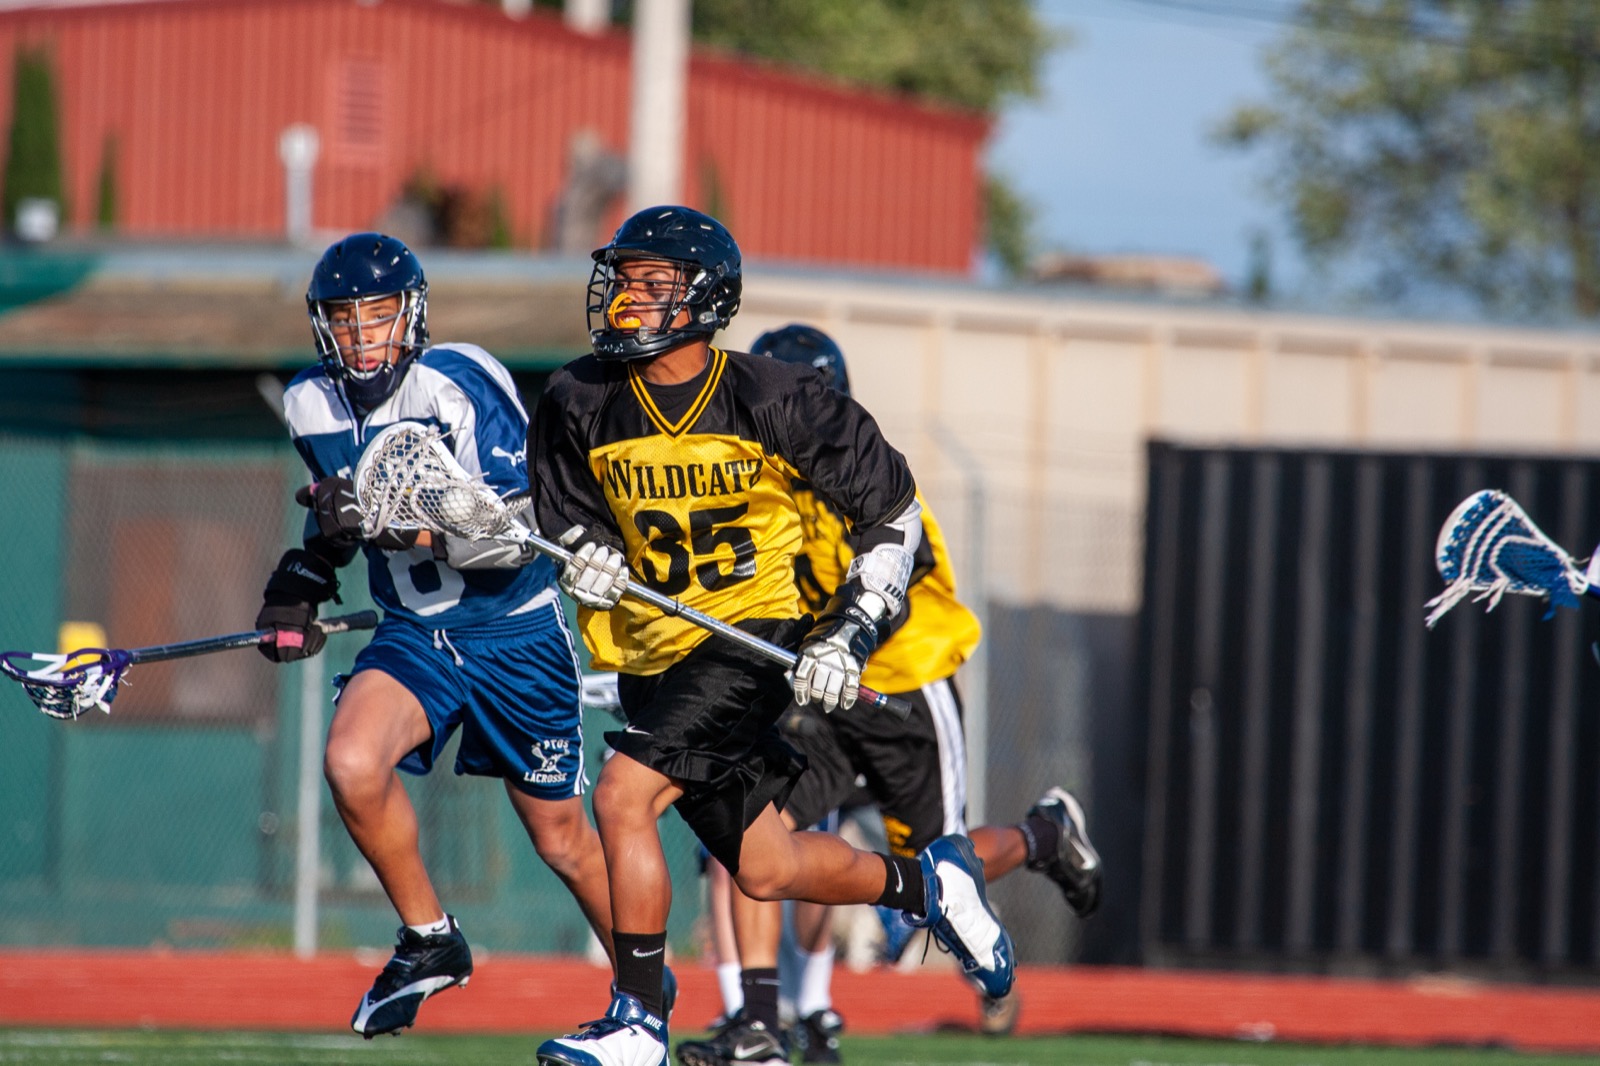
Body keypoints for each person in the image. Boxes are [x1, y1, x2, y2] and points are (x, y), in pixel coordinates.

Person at [527, 206, 1016, 1066]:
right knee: (765, 866)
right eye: (625, 280)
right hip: (652, 652)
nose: (628, 298)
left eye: (653, 282)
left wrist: (850, 631)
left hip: (749, 636)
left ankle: (638, 1018)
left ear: (705, 296)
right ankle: (929, 885)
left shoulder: (775, 397)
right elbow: (567, 516)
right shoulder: (578, 397)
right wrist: (587, 551)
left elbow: (893, 513)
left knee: (622, 796)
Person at [678, 325, 1104, 1066]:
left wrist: (846, 641)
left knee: (942, 874)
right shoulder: (760, 482)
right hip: (820, 699)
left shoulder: (860, 468)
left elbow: (900, 576)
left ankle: (1045, 835)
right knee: (751, 835)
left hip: (903, 683)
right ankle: (760, 1024)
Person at [254, 233, 617, 1038]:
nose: (361, 336)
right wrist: (301, 580)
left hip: (513, 632)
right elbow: (333, 516)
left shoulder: (459, 379)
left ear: (411, 314)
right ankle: (429, 939)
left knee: (561, 839)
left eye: (378, 315)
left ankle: (643, 999)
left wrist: (390, 526)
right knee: (352, 762)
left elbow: (518, 532)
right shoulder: (310, 401)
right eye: (344, 319)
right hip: (416, 633)